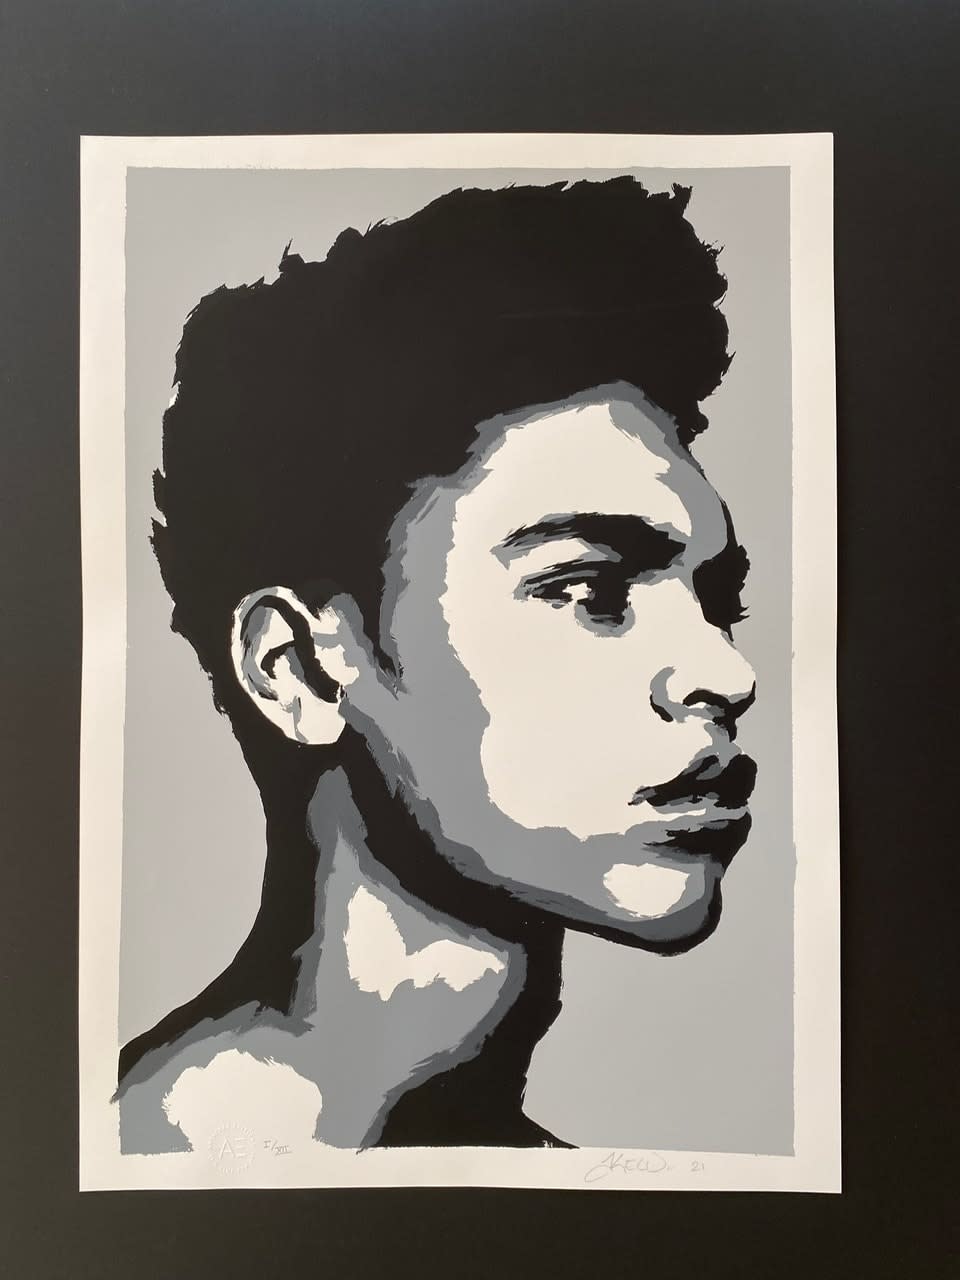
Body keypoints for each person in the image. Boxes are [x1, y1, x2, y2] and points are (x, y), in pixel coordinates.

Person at [117, 177, 757, 1152]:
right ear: (299, 668)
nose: (725, 672)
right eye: (591, 588)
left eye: (719, 601)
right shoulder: (94, 1172)